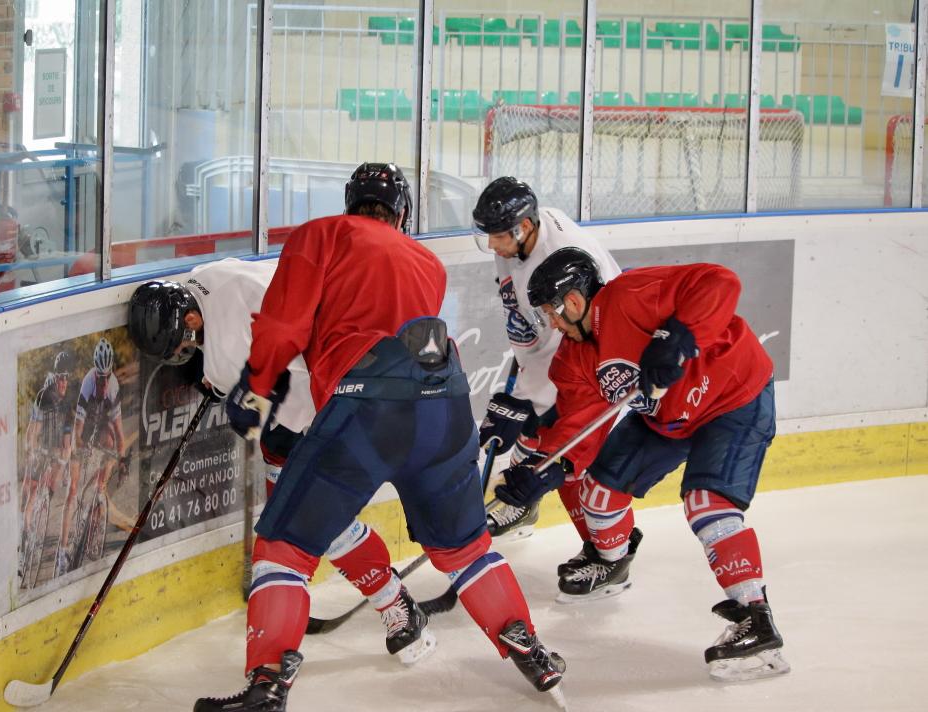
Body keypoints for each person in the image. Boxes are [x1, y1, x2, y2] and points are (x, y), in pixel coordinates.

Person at [195, 163, 564, 712]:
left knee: (284, 549)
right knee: (465, 550)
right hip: (446, 405)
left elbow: (286, 324)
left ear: (351, 203)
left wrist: (257, 385)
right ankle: (530, 648)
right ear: (403, 213)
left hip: (366, 405)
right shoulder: (427, 262)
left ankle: (267, 685)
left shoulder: (322, 234)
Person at [496, 246, 788, 681]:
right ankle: (612, 563)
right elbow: (578, 430)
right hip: (665, 420)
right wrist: (541, 474)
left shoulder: (631, 294)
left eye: (552, 313)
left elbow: (719, 282)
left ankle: (755, 616)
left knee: (706, 505)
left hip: (733, 398)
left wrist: (676, 336)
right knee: (598, 492)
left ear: (572, 301)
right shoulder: (575, 358)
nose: (552, 324)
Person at [127, 259, 436, 666]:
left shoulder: (225, 353)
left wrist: (224, 386)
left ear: (190, 318)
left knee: (309, 525)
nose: (187, 351)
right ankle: (342, 601)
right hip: (335, 385)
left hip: (322, 410)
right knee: (299, 526)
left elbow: (248, 398)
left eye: (185, 343)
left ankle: (393, 602)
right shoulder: (205, 276)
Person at [471, 177, 623, 552]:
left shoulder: (563, 255)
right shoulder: (517, 239)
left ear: (524, 226)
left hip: (592, 359)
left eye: (497, 236)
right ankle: (524, 509)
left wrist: (522, 398)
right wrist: (524, 381)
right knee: (536, 434)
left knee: (560, 453)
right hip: (554, 352)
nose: (492, 245)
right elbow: (523, 312)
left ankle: (606, 551)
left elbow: (564, 339)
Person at [54, 337, 129, 576]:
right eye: (100, 377)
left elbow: (120, 434)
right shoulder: (87, 384)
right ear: (95, 373)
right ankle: (63, 551)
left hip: (102, 425)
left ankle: (98, 491)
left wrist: (123, 461)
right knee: (73, 490)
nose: (103, 382)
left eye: (107, 377)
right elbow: (78, 430)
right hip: (85, 426)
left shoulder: (113, 388)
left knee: (110, 442)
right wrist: (80, 447)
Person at [19, 351, 74, 578]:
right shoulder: (44, 397)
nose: (63, 382)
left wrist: (62, 463)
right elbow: (33, 432)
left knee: (53, 478)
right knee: (30, 491)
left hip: (55, 448)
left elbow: (67, 443)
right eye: (60, 378)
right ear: (54, 380)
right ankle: (24, 543)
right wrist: (31, 451)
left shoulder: (67, 404)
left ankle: (45, 498)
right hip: (41, 445)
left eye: (66, 378)